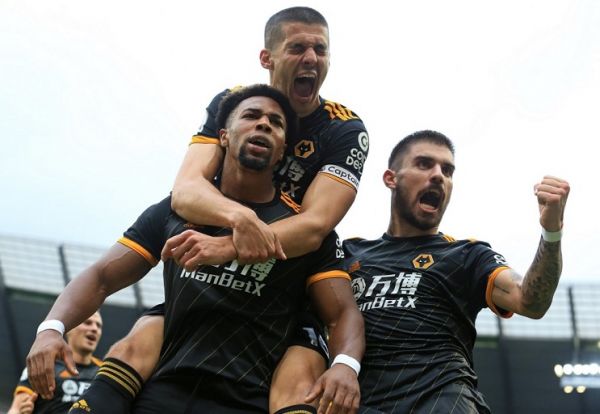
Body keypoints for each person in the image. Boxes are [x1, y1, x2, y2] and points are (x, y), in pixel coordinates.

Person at [49, 6, 368, 414]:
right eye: (298, 47)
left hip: (288, 279)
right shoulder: (229, 102)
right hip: (209, 278)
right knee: (138, 341)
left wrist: (230, 247)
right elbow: (185, 191)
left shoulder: (344, 128)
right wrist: (240, 220)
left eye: (321, 49)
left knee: (298, 380)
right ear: (267, 59)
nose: (311, 58)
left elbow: (315, 226)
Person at [343, 130, 569, 413]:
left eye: (447, 170)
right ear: (391, 178)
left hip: (441, 401)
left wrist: (551, 232)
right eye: (424, 164)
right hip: (357, 402)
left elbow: (530, 302)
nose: (439, 175)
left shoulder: (466, 256)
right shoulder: (349, 254)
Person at [8, 312, 103, 414]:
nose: (94, 329)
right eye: (88, 323)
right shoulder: (42, 365)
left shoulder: (105, 372)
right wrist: (22, 411)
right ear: (70, 329)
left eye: (98, 325)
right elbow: (15, 409)